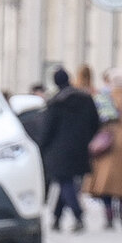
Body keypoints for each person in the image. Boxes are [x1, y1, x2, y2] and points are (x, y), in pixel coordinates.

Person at [40, 67, 101, 232]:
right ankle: (56, 218)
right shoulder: (86, 99)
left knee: (65, 182)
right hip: (80, 147)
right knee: (65, 182)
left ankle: (78, 215)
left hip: (59, 150)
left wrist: (42, 146)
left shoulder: (55, 102)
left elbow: (48, 129)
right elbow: (96, 122)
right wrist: (87, 138)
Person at [85, 68, 122, 229]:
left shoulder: (103, 98)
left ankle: (109, 216)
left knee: (105, 183)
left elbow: (93, 122)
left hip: (105, 141)